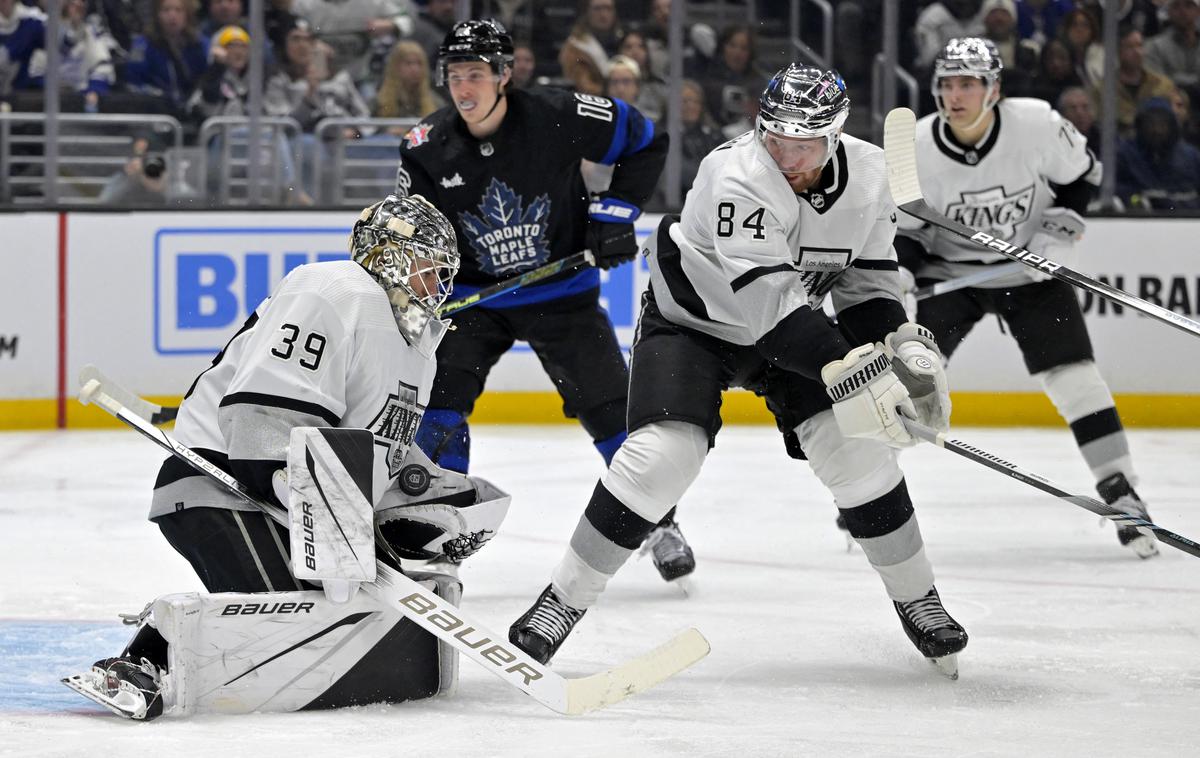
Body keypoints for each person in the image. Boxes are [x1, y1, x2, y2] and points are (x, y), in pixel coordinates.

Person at [508, 64, 971, 678]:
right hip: (695, 324)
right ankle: (559, 604)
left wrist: (899, 350)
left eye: (804, 143)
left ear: (834, 136)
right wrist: (850, 365)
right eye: (776, 138)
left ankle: (919, 596)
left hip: (794, 324)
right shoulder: (735, 175)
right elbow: (769, 310)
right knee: (659, 458)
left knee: (857, 453)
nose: (788, 155)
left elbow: (866, 287)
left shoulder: (871, 176)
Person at [63, 194, 513, 720]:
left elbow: (375, 454)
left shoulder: (417, 349)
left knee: (365, 614)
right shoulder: (336, 290)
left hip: (303, 506)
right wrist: (325, 516)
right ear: (389, 254)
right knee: (310, 620)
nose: (439, 288)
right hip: (223, 485)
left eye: (444, 274)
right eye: (429, 269)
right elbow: (261, 424)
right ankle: (145, 657)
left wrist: (435, 500)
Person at [394, 20, 695, 582]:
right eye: (455, 76)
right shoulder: (426, 148)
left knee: (611, 409)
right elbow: (419, 232)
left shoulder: (560, 114)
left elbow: (646, 138)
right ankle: (436, 533)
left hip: (560, 293)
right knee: (436, 409)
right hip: (474, 301)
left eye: (476, 75)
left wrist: (616, 210)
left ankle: (660, 522)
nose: (464, 89)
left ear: (505, 75)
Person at [894, 38, 1158, 558]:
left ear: (994, 89)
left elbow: (1082, 176)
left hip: (1029, 274)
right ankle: (872, 493)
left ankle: (1122, 491)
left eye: (967, 84)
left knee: (1076, 380)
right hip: (952, 276)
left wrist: (1059, 229)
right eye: (946, 84)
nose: (955, 95)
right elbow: (907, 226)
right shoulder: (915, 145)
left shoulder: (1036, 124)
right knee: (905, 384)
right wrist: (901, 270)